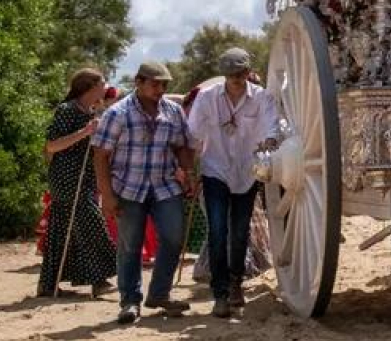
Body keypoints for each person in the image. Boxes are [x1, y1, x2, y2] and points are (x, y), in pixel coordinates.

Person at [91, 62, 197, 324]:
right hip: (128, 187)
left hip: (165, 186)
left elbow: (183, 145)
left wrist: (187, 171)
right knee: (130, 246)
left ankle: (160, 294)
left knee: (173, 238)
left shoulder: (173, 112)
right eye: (155, 83)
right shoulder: (117, 113)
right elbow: (101, 155)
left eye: (164, 85)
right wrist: (107, 195)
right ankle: (130, 301)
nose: (160, 89)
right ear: (139, 81)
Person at [186, 48, 279, 318]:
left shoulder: (261, 98)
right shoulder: (207, 98)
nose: (237, 79)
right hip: (215, 169)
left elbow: (270, 129)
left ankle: (237, 281)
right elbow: (194, 135)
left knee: (240, 232)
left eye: (241, 73)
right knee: (217, 231)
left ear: (248, 72)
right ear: (224, 75)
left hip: (247, 172)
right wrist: (191, 172)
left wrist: (269, 144)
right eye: (231, 75)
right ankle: (220, 293)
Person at [37, 68, 116, 299]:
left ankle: (48, 284)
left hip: (84, 178)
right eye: (102, 83)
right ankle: (100, 279)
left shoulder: (90, 111)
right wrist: (84, 132)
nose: (105, 87)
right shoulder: (67, 110)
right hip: (66, 178)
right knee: (92, 222)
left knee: (61, 230)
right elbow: (51, 145)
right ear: (90, 86)